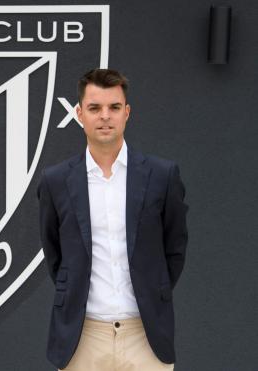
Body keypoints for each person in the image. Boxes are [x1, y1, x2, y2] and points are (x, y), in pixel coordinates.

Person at [37, 69, 188, 371]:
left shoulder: (162, 175)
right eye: (95, 108)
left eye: (114, 107)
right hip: (82, 338)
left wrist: (152, 292)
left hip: (144, 336)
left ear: (127, 113)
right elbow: (54, 254)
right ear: (79, 114)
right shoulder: (55, 181)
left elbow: (175, 248)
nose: (105, 116)